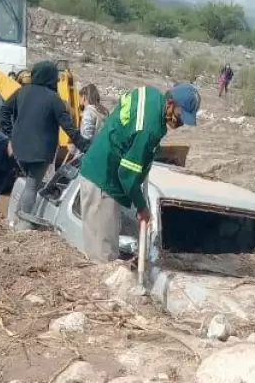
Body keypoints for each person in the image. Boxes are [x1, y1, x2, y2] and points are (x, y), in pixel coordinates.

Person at [78, 83, 201, 263]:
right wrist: (142, 207)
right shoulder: (150, 129)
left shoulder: (151, 95)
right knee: (103, 258)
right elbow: (127, 175)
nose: (180, 124)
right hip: (103, 181)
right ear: (170, 104)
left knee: (100, 254)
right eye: (180, 117)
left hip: (99, 170)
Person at [0, 60, 88, 231]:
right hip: (40, 152)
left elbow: (3, 111)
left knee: (29, 184)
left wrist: (11, 135)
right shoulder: (54, 99)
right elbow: (69, 128)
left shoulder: (21, 91)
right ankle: (21, 225)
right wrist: (86, 146)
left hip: (19, 149)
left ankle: (14, 219)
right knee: (32, 186)